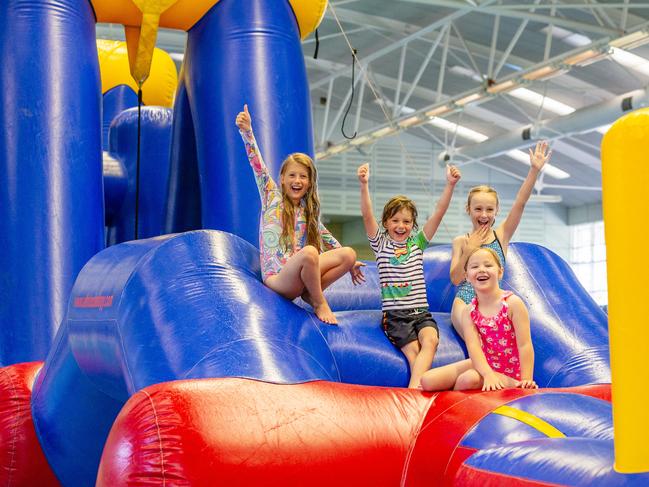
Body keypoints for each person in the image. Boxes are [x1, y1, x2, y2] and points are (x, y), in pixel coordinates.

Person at [236, 104, 365, 325]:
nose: (297, 181)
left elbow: (325, 236)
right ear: (283, 179)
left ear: (309, 183)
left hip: (297, 277)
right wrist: (247, 131)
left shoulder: (307, 211)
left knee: (349, 254)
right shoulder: (271, 197)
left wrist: (350, 264)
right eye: (292, 175)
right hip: (278, 278)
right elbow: (257, 165)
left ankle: (310, 292)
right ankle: (318, 301)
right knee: (309, 253)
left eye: (303, 177)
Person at [357, 161, 461, 388]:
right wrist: (364, 185)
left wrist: (450, 185)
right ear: (386, 223)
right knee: (414, 353)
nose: (401, 225)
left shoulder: (417, 243)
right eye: (395, 220)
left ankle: (415, 390)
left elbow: (439, 213)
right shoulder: (380, 243)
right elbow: (366, 216)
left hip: (421, 313)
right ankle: (416, 392)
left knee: (431, 341)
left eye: (406, 221)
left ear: (413, 224)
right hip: (396, 316)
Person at [450, 141, 552, 339]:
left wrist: (534, 171)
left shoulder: (501, 235)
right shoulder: (461, 241)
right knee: (479, 346)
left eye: (489, 209)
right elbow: (455, 279)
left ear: (496, 211)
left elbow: (520, 203)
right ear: (468, 210)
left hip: (493, 304)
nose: (484, 214)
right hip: (465, 302)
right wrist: (470, 249)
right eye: (478, 209)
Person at [420, 247, 537, 392]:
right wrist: (487, 373)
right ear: (467, 276)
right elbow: (474, 348)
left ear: (500, 272)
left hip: (509, 372)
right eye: (475, 267)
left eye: (488, 265)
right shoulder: (469, 311)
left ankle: (454, 405)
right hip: (482, 363)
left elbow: (525, 345)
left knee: (468, 379)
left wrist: (526, 381)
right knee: (427, 381)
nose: (481, 269)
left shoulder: (513, 304)